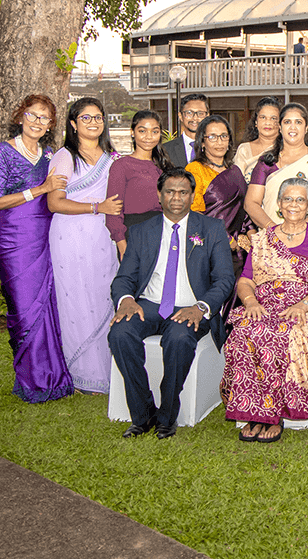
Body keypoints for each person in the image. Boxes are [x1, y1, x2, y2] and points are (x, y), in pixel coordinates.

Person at [108, 168, 235, 439]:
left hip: (191, 307)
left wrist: (200, 307)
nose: (176, 197)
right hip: (150, 305)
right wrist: (127, 300)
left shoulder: (211, 229)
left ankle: (167, 414)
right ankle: (142, 414)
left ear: (192, 196)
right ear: (159, 195)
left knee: (178, 339)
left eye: (182, 192)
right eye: (169, 191)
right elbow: (123, 278)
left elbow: (224, 279)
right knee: (120, 334)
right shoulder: (141, 231)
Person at [221, 178, 308, 443]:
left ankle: (273, 414)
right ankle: (254, 411)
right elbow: (246, 280)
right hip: (264, 304)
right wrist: (250, 302)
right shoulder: (263, 240)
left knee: (280, 333)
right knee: (244, 331)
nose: (294, 204)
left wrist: (304, 304)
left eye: (300, 199)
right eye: (288, 198)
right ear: (278, 204)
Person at [0, 94, 74, 403]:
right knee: (24, 308)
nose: (37, 122)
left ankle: (54, 376)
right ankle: (32, 380)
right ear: (20, 116)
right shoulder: (3, 152)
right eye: (32, 115)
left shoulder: (51, 154)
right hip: (14, 235)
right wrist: (39, 189)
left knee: (47, 303)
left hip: (46, 233)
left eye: (44, 118)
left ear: (51, 124)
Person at [47, 97, 123, 394]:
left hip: (104, 237)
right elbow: (54, 202)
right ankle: (81, 374)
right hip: (72, 236)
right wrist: (97, 207)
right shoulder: (65, 157)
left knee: (104, 295)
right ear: (73, 123)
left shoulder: (113, 157)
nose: (94, 123)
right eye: (87, 118)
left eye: (98, 117)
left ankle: (109, 370)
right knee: (77, 301)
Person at [245, 103, 308, 243]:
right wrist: (275, 231)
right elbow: (251, 203)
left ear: (306, 127)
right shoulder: (267, 162)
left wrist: (300, 230)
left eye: (298, 122)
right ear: (280, 127)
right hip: (273, 240)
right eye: (287, 122)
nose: (293, 127)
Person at [106, 110, 172, 259]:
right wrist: (122, 245)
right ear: (132, 132)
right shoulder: (121, 165)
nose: (149, 136)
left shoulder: (165, 166)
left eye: (154, 131)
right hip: (134, 234)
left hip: (164, 232)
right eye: (142, 131)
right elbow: (113, 210)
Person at [185, 115, 248, 271]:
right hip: (209, 248)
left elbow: (244, 209)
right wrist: (226, 239)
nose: (219, 142)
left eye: (223, 136)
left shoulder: (235, 171)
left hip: (240, 249)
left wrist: (250, 233)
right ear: (202, 142)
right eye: (212, 137)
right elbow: (195, 215)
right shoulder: (195, 170)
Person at [233, 97, 282, 182]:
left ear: (280, 123)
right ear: (256, 122)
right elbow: (236, 182)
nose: (267, 122)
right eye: (263, 117)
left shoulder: (286, 150)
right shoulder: (244, 149)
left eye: (273, 118)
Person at [163, 93, 209, 168]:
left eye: (200, 113)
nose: (195, 118)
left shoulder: (215, 148)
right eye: (189, 113)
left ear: (207, 116)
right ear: (180, 116)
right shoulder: (166, 150)